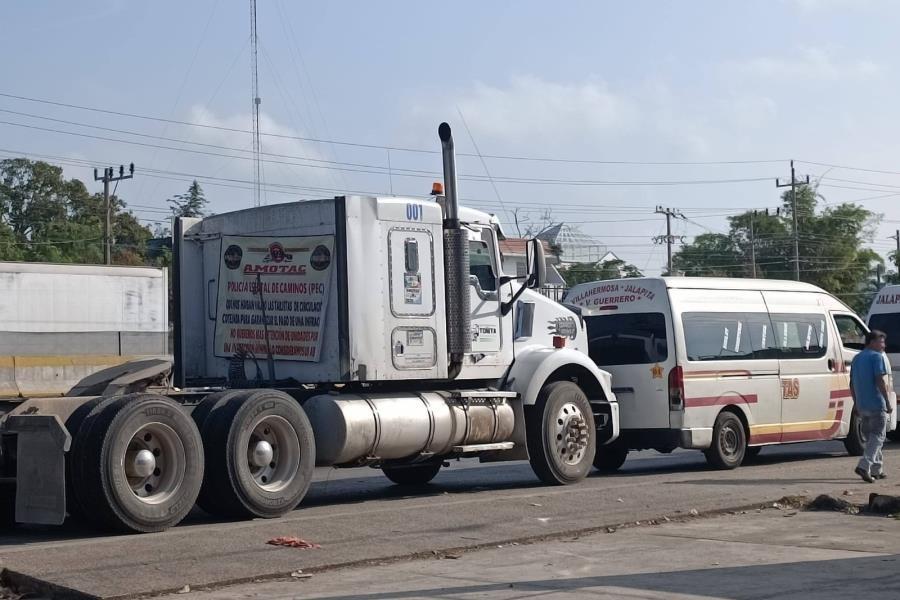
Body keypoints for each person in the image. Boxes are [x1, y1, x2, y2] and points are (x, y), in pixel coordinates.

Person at [850, 330, 894, 483]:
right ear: (872, 342)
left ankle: (877, 469)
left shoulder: (856, 358)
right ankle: (864, 465)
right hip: (876, 403)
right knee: (878, 437)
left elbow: (851, 384)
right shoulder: (877, 357)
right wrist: (887, 402)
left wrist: (856, 403)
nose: (884, 346)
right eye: (881, 342)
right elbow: (880, 381)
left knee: (872, 439)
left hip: (862, 405)